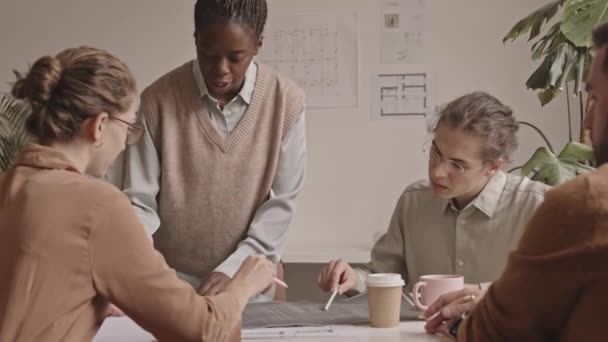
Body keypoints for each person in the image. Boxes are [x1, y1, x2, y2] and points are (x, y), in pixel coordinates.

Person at [0, 46, 273, 342]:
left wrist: (91, 299)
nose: (126, 143)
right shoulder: (98, 206)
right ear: (100, 126)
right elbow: (203, 330)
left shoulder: (11, 186)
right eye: (129, 126)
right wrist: (244, 285)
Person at [423, 23, 608, 341]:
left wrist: (462, 320)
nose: (587, 121)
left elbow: (493, 332)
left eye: (595, 97)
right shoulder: (413, 201)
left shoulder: (583, 203)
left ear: (494, 167)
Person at [121, 0, 306, 299]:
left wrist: (234, 270)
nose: (221, 70)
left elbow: (282, 202)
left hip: (247, 281)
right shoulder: (157, 100)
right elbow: (140, 202)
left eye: (236, 57)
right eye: (209, 55)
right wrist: (135, 271)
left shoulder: (287, 102)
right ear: (196, 39)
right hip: (171, 283)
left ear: (258, 45)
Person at [317, 92, 549, 295]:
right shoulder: (414, 202)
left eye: (458, 165)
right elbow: (384, 275)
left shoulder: (537, 207)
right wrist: (353, 278)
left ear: (493, 167)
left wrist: (483, 293)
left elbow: (552, 288)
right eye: (436, 153)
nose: (437, 172)